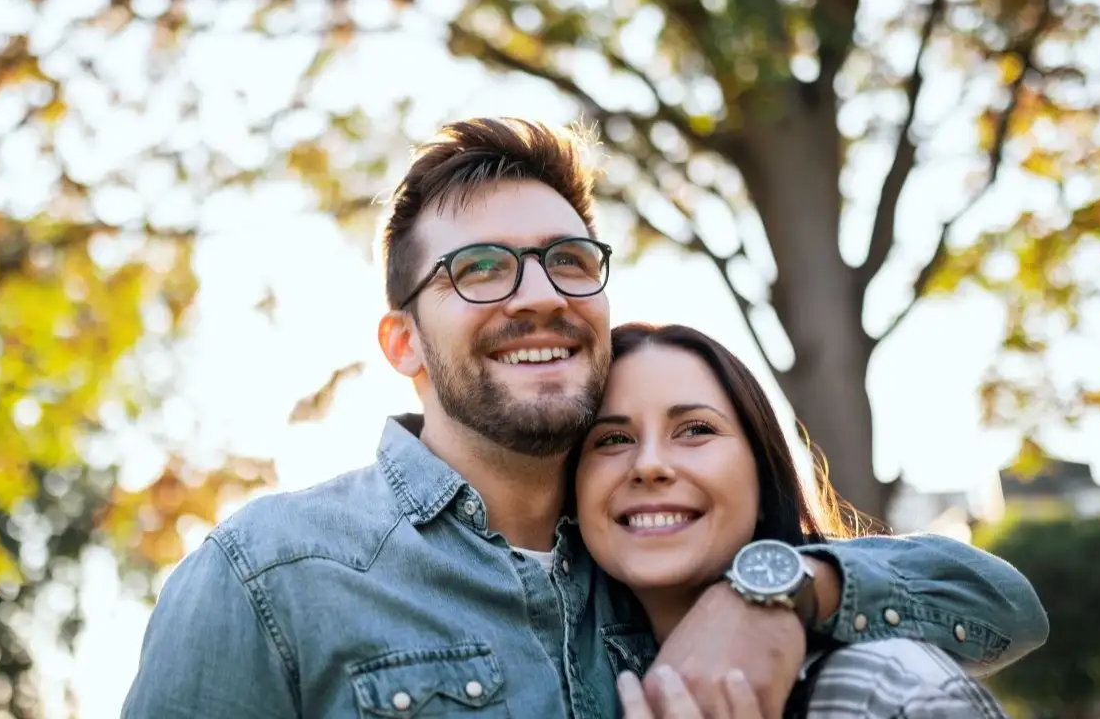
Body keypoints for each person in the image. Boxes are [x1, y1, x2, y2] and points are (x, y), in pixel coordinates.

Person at [120, 117, 1047, 718]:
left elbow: (1001, 606)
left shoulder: (654, 556)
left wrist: (777, 590)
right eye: (480, 269)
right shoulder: (269, 576)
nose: (539, 296)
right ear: (401, 343)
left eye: (567, 259)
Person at [574, 323, 1010, 718]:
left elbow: (1007, 599)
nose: (649, 465)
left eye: (695, 430)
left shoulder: (882, 687)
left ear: (764, 479)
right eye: (613, 438)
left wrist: (769, 592)